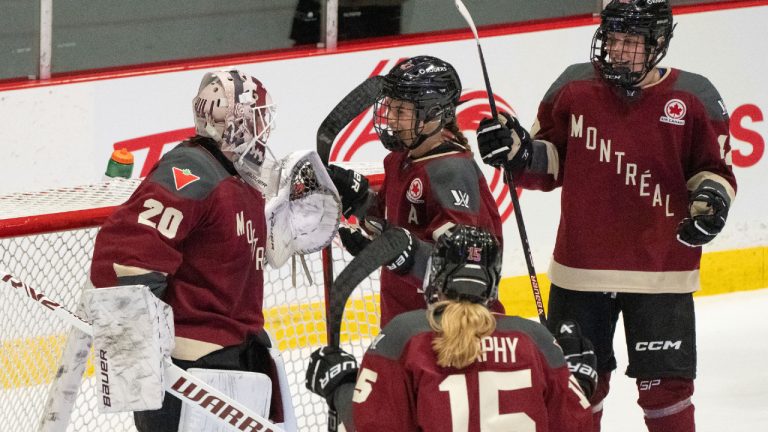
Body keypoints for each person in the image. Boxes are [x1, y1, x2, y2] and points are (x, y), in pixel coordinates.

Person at [475, 1, 737, 431]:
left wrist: (710, 201)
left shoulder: (694, 96)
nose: (618, 50)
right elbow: (550, 163)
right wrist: (518, 153)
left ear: (658, 45)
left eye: (631, 42)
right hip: (581, 270)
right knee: (577, 387)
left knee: (666, 392)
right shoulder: (574, 86)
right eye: (612, 39)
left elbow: (714, 170)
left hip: (660, 272)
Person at [89, 69, 291, 431]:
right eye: (257, 118)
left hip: (235, 365)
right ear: (234, 122)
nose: (265, 131)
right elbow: (126, 254)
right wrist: (144, 353)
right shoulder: (193, 167)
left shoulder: (240, 181)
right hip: (192, 377)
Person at [305, 225, 596, 431]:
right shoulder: (536, 341)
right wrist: (578, 385)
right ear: (492, 283)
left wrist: (340, 386)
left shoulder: (404, 336)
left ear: (436, 276)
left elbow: (371, 425)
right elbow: (577, 425)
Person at [327, 55, 504, 327]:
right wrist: (359, 198)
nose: (392, 121)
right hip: (405, 322)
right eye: (390, 109)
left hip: (451, 331)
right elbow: (396, 221)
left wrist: (393, 251)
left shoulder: (451, 172)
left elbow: (463, 265)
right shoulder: (401, 159)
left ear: (433, 114)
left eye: (401, 111)